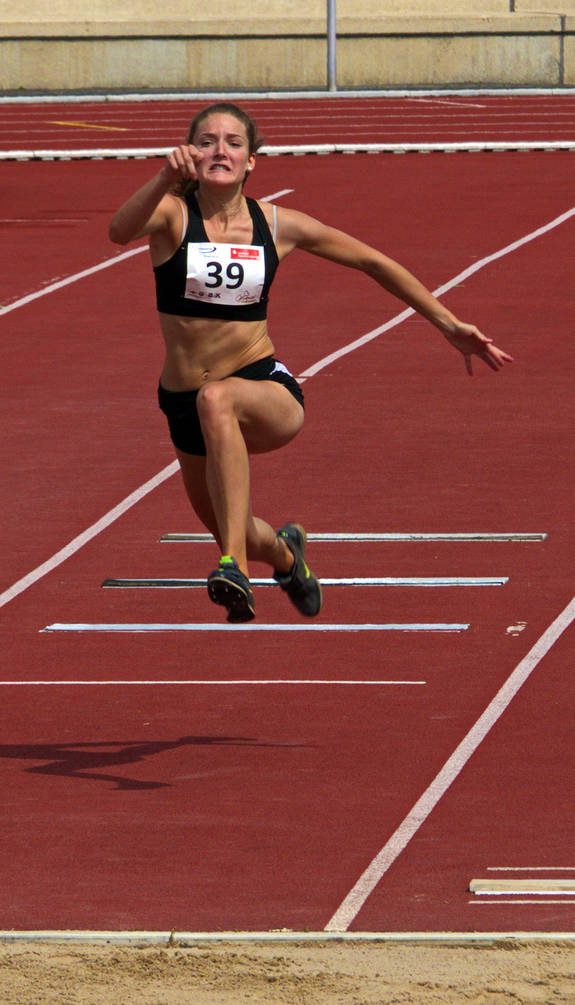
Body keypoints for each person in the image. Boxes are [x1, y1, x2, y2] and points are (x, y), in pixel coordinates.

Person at [108, 103, 512, 624]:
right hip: (182, 402)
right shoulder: (171, 215)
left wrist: (447, 324)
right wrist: (164, 175)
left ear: (252, 160)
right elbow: (119, 232)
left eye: (234, 142)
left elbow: (372, 260)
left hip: (262, 387)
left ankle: (233, 569)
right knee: (237, 522)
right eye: (206, 141)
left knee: (219, 398)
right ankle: (284, 556)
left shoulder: (277, 225)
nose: (220, 150)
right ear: (190, 153)